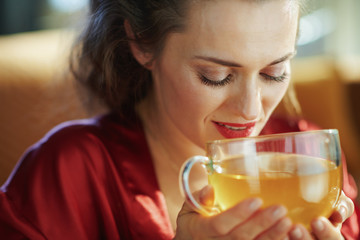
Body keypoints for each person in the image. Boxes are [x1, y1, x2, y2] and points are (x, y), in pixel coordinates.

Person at [0, 0, 359, 239]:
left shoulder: (308, 157)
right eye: (215, 76)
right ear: (141, 43)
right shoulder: (69, 173)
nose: (251, 110)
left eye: (274, 72)